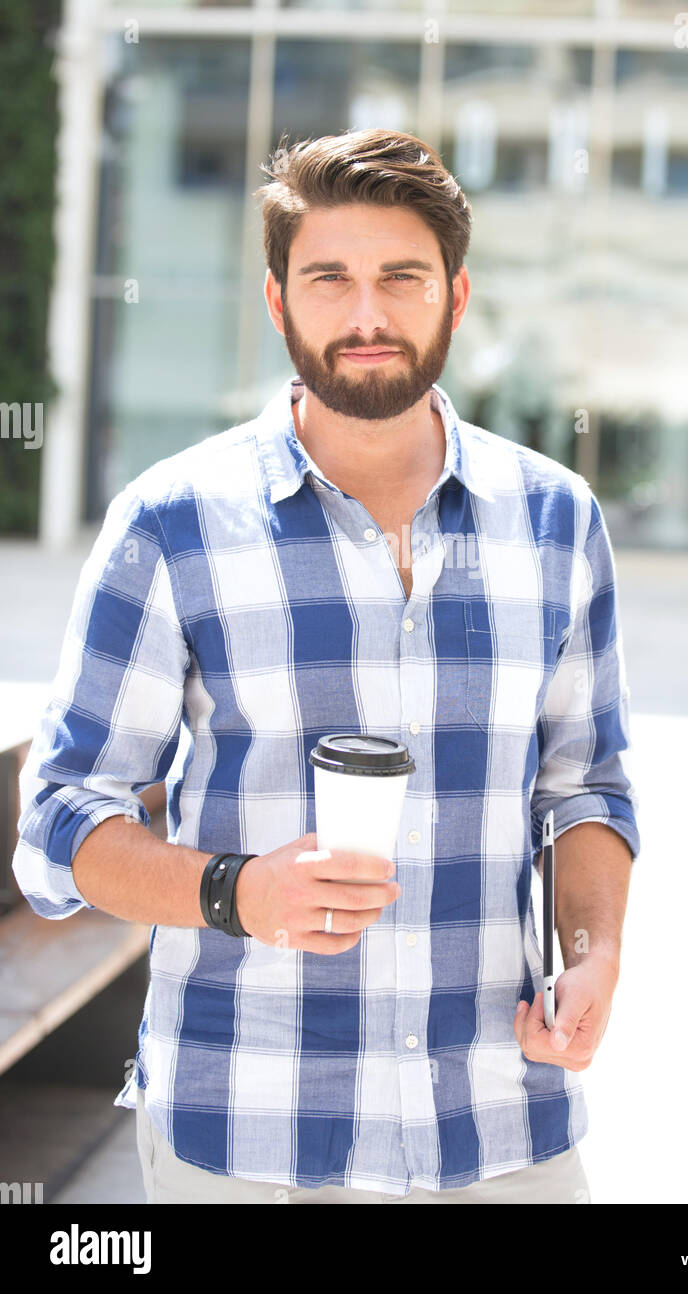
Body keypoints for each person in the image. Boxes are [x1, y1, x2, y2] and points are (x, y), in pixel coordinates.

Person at [14, 128, 639, 1205]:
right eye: (328, 279)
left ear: (455, 294)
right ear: (275, 302)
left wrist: (592, 952)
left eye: (401, 277)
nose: (365, 316)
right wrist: (236, 890)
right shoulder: (172, 524)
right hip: (250, 1131)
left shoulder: (554, 520)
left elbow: (583, 788)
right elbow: (62, 821)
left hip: (498, 1118)